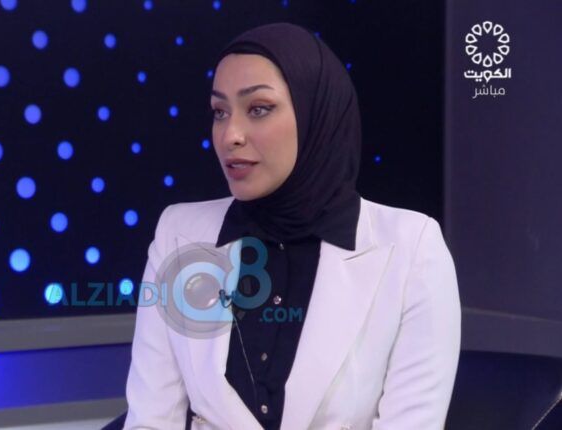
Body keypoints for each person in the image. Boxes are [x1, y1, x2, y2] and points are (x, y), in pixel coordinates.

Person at [123, 22, 461, 430]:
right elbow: (151, 420)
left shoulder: (413, 248)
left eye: (258, 109)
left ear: (315, 112)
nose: (230, 135)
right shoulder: (178, 232)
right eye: (220, 112)